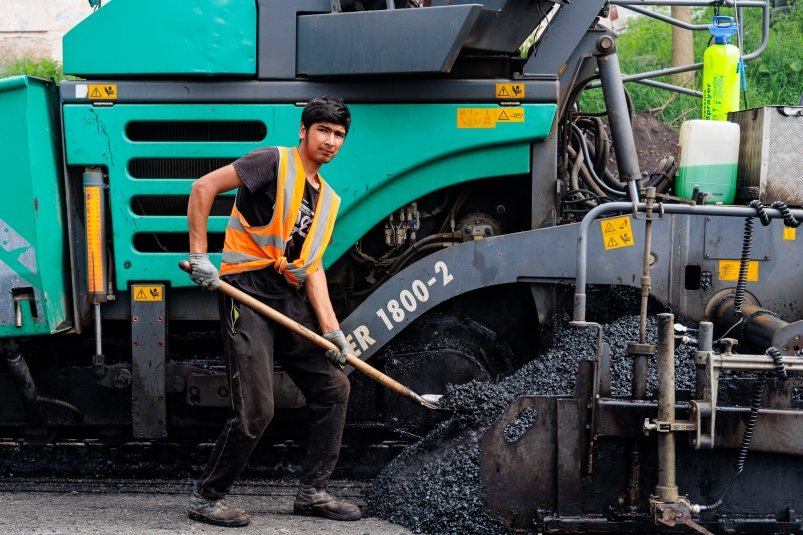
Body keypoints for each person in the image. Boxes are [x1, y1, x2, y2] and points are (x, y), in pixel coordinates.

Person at [185, 96, 360, 527]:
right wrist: (201, 257)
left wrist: (332, 330)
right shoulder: (271, 162)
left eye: (338, 135)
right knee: (257, 410)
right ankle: (208, 497)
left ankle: (313, 492)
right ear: (304, 131)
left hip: (288, 301)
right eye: (323, 130)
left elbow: (311, 266)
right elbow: (202, 188)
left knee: (334, 388)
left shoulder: (328, 199)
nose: (330, 141)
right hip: (245, 292)